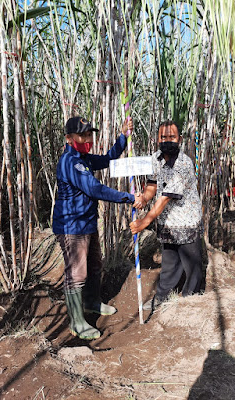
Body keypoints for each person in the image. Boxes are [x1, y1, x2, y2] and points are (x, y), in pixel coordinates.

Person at [53, 116, 143, 340]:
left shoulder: (84, 159)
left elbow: (108, 158)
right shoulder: (70, 162)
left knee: (95, 265)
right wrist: (129, 198)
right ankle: (76, 322)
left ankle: (92, 302)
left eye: (89, 134)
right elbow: (95, 189)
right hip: (72, 227)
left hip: (88, 224)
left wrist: (123, 137)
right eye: (82, 135)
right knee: (77, 273)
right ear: (69, 138)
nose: (87, 139)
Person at [130, 120, 204, 311]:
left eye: (172, 137)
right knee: (170, 262)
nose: (167, 140)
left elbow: (164, 199)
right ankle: (162, 297)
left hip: (186, 220)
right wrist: (144, 199)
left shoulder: (183, 164)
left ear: (179, 139)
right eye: (163, 137)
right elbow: (153, 185)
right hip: (167, 222)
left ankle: (191, 300)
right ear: (157, 139)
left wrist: (143, 222)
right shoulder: (155, 158)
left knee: (192, 265)